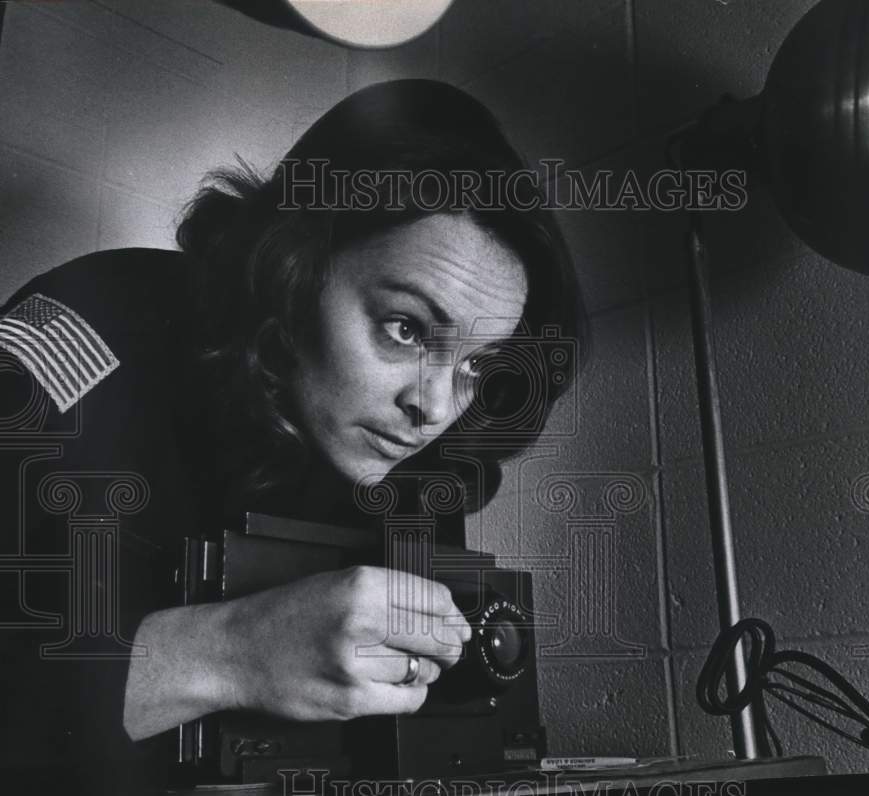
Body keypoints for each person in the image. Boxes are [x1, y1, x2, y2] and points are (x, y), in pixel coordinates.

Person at [0, 79, 587, 793]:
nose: (430, 407)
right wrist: (234, 652)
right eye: (404, 329)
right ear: (294, 266)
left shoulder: (413, 470)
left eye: (474, 367)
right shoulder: (90, 329)